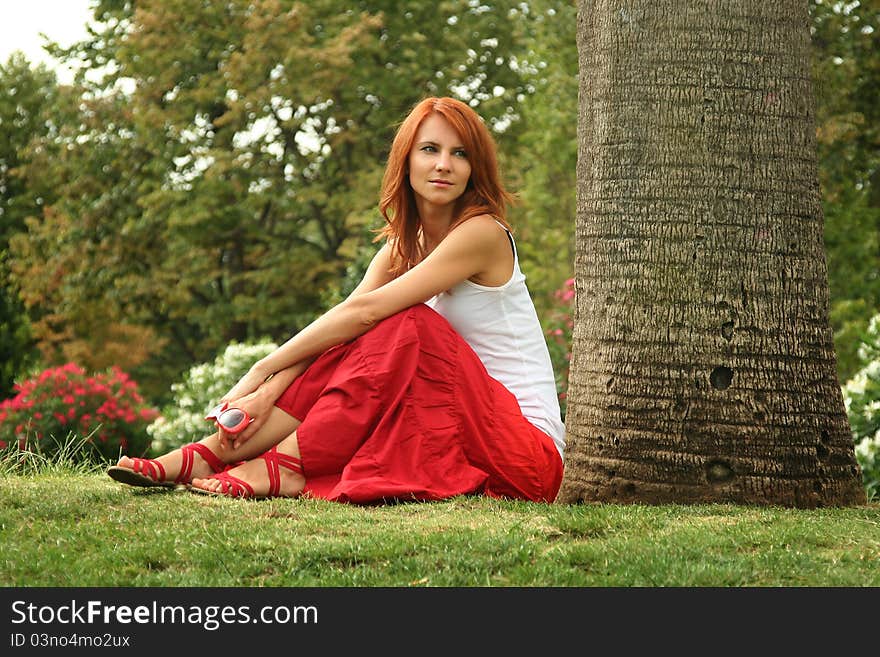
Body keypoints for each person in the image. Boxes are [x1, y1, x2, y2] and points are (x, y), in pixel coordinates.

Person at [107, 96, 566, 503]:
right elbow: (344, 324)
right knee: (362, 338)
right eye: (430, 149)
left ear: (474, 169)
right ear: (405, 162)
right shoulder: (405, 246)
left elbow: (366, 313)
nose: (444, 164)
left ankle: (283, 465)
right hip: (462, 428)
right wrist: (267, 390)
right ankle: (206, 455)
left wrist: (261, 368)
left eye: (459, 154)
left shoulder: (482, 233)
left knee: (410, 325)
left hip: (527, 455)